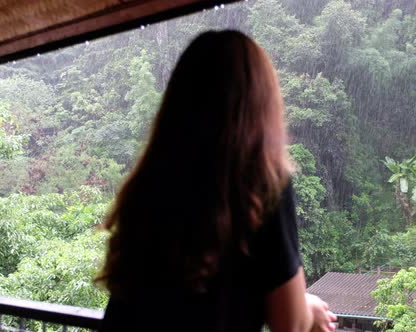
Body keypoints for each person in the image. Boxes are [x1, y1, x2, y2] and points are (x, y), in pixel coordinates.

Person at [96, 30, 337, 332]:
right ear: (262, 103)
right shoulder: (263, 184)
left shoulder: (150, 184)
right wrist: (309, 308)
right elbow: (288, 323)